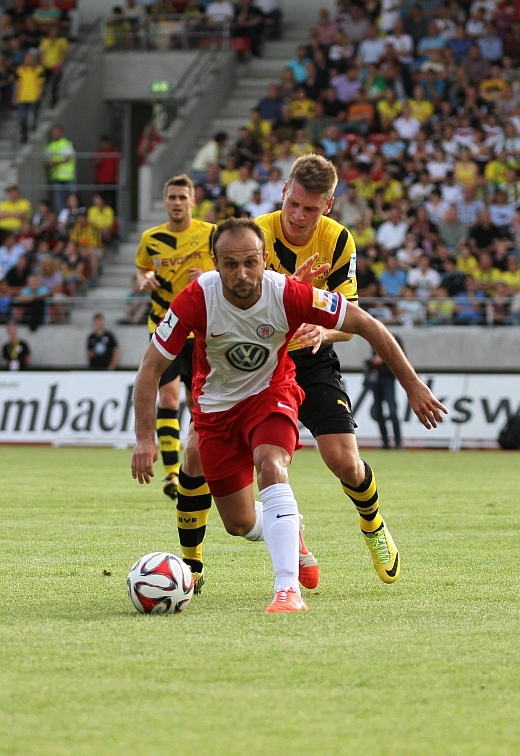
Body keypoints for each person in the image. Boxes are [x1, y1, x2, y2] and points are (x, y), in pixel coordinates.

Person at [131, 218, 447, 612]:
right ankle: (288, 526)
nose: (242, 274)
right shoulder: (195, 299)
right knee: (238, 524)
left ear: (264, 259)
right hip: (217, 411)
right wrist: (144, 439)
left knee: (273, 464)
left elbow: (367, 324)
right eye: (230, 264)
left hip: (271, 393)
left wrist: (413, 385)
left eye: (250, 262)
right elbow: (150, 369)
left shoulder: (287, 293)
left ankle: (287, 590)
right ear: (215, 262)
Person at [175, 154, 431, 593]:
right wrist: (293, 288)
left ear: (327, 205)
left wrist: (321, 329)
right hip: (254, 359)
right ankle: (193, 565)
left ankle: (372, 522)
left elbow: (351, 323)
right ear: (283, 193)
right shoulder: (255, 235)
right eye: (293, 204)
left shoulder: (338, 241)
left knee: (344, 461)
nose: (298, 215)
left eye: (310, 209)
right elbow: (239, 295)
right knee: (195, 453)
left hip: (310, 357)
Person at [134, 174, 214, 592]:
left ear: (193, 201)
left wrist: (209, 272)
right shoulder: (151, 239)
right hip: (164, 327)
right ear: (165, 202)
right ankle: (171, 474)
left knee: (196, 402)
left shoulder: (211, 234)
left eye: (183, 196)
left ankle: (193, 467)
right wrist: (144, 280)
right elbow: (142, 270)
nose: (177, 202)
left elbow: (231, 269)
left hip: (200, 328)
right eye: (172, 197)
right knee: (167, 396)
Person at [365, 334, 404, 450]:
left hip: (388, 377)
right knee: (378, 412)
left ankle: (398, 442)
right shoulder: (374, 337)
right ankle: (385, 442)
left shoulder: (394, 338)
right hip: (377, 379)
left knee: (392, 410)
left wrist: (383, 358)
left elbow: (401, 357)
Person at [45, 124, 76, 216]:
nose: (54, 134)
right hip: (57, 177)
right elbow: (48, 162)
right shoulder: (50, 146)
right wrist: (60, 161)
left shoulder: (67, 144)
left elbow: (68, 159)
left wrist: (55, 162)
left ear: (61, 132)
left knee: (72, 199)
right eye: (53, 132)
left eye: (56, 132)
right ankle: (61, 218)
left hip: (68, 177)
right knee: (58, 201)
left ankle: (73, 216)